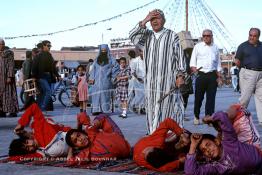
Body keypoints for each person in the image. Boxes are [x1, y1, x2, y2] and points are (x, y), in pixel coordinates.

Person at [129, 9, 186, 134]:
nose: (155, 21)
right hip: (150, 83)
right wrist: (145, 19)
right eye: (152, 19)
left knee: (169, 109)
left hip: (168, 82)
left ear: (163, 20)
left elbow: (180, 57)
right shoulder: (146, 37)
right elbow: (132, 36)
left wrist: (180, 75)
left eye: (158, 18)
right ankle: (153, 134)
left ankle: (169, 136)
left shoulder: (172, 36)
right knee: (151, 109)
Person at [185, 111, 262, 175]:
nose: (207, 150)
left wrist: (210, 118)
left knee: (234, 109)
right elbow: (190, 172)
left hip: (260, 158)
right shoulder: (215, 166)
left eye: (208, 145)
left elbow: (222, 116)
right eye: (204, 150)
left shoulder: (229, 142)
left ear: (217, 141)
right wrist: (193, 145)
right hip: (253, 172)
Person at [66, 114, 131, 165]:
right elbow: (70, 161)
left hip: (119, 138)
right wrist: (71, 147)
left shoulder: (90, 130)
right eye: (76, 141)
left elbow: (82, 115)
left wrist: (79, 126)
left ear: (84, 134)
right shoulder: (85, 154)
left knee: (103, 117)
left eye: (79, 135)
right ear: (76, 147)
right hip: (126, 152)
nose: (80, 139)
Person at [190, 29, 222, 125]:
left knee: (211, 98)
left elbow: (218, 64)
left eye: (208, 35)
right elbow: (192, 62)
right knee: (198, 98)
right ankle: (196, 116)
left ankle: (209, 118)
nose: (206, 37)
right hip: (201, 75)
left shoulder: (216, 48)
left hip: (212, 75)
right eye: (204, 35)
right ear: (202, 36)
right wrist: (195, 72)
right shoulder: (197, 47)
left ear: (212, 36)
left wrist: (219, 77)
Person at [235, 28, 262, 125]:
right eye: (250, 35)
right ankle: (239, 120)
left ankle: (261, 120)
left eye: (254, 36)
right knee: (245, 98)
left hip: (261, 75)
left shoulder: (261, 45)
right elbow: (237, 61)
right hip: (248, 73)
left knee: (261, 98)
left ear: (258, 37)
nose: (252, 37)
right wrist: (244, 71)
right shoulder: (243, 46)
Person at [89, 44, 119, 115]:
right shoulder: (96, 60)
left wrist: (112, 75)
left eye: (104, 51)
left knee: (105, 96)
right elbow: (93, 69)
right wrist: (91, 78)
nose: (103, 52)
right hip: (96, 82)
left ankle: (105, 110)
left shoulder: (111, 59)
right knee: (95, 96)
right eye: (102, 50)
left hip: (106, 81)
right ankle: (96, 110)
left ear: (107, 51)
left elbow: (116, 67)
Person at [31, 40, 60, 113]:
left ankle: (38, 109)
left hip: (48, 76)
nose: (49, 47)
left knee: (43, 93)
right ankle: (42, 109)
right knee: (48, 92)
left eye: (50, 46)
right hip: (41, 77)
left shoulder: (49, 55)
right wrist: (33, 77)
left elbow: (53, 67)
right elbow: (34, 67)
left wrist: (58, 75)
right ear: (43, 46)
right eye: (48, 45)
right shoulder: (38, 56)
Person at [0, 38, 19, 118]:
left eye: (3, 44)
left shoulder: (9, 53)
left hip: (7, 78)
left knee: (10, 94)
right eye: (0, 44)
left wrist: (9, 76)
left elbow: (11, 65)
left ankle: (12, 111)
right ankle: (2, 111)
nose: (2, 46)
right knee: (1, 96)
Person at [128, 48, 146, 114]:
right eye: (142, 52)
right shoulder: (135, 61)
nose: (143, 54)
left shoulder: (147, 59)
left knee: (145, 95)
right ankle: (135, 106)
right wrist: (138, 79)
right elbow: (133, 72)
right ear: (140, 52)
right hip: (137, 80)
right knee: (140, 95)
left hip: (145, 80)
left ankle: (142, 108)